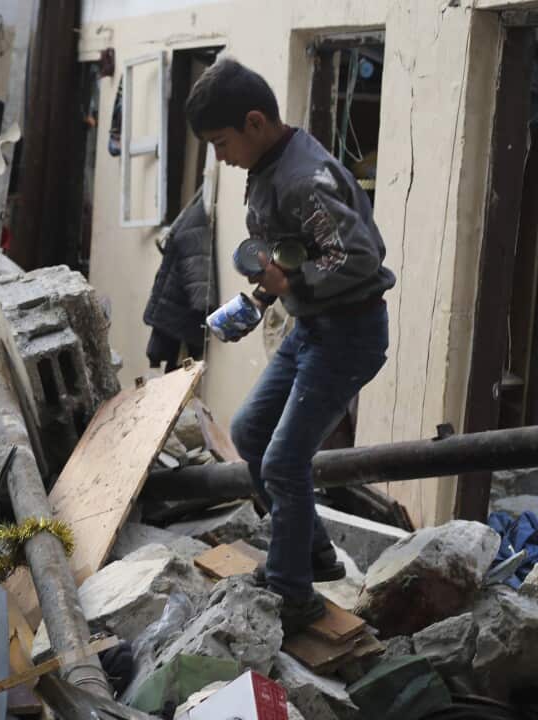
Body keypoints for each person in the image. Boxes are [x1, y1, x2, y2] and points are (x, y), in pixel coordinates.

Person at [185, 57, 397, 632]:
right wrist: (262, 298)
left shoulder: (304, 179)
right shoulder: (270, 164)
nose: (220, 157)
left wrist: (292, 286)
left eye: (221, 143)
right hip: (312, 328)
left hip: (348, 334)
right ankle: (313, 554)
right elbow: (297, 253)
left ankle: (292, 593)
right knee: (251, 432)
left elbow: (357, 258)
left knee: (282, 461)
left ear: (254, 123)